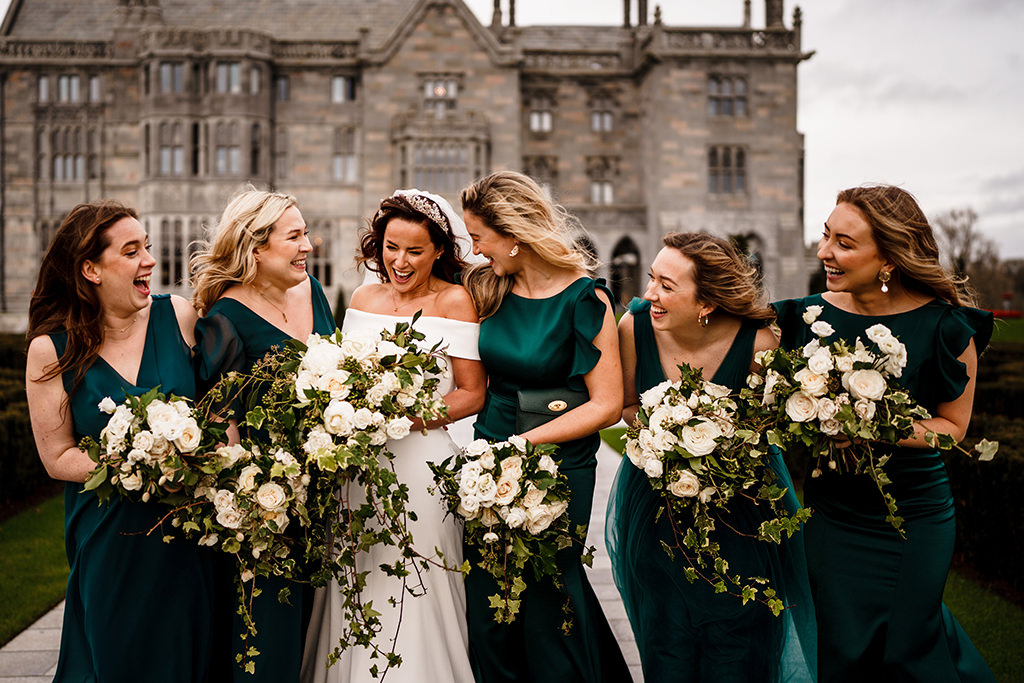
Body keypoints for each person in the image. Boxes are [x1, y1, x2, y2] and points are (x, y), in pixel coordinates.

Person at [773, 184, 996, 682]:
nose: (824, 252)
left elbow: (952, 429)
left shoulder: (948, 329)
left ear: (890, 258)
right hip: (833, 514)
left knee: (908, 648)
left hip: (913, 519)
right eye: (826, 236)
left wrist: (870, 423)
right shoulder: (804, 319)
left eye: (845, 243)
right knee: (840, 646)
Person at [605, 232, 817, 682]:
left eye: (666, 285)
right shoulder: (634, 327)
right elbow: (626, 406)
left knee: (737, 644)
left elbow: (768, 430)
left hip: (741, 515)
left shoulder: (759, 345)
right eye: (651, 279)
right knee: (667, 643)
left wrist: (720, 445)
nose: (649, 295)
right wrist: (666, 434)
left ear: (706, 301)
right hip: (657, 505)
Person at [25, 201, 217, 682]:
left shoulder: (182, 317)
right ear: (90, 269)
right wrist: (137, 464)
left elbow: (220, 416)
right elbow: (57, 456)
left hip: (187, 537)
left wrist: (203, 458)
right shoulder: (51, 350)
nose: (149, 261)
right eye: (132, 251)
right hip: (110, 540)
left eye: (147, 247)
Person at [300, 189, 486, 683]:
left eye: (414, 251)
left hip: (422, 469)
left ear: (440, 251)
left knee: (419, 579)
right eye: (390, 248)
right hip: (360, 468)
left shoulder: (454, 301)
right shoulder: (362, 299)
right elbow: (344, 376)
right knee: (355, 576)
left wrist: (404, 416)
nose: (399, 262)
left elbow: (471, 393)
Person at [460, 170, 631, 683]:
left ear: (513, 237)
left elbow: (606, 405)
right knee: (489, 604)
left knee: (548, 599)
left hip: (559, 464)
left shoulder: (585, 300)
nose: (475, 250)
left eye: (479, 239)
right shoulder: (484, 287)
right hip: (487, 459)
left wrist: (522, 443)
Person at [191, 189, 336, 682]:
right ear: (256, 248)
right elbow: (221, 423)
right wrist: (253, 501)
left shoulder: (312, 291)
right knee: (270, 629)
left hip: (328, 486)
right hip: (270, 500)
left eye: (306, 234)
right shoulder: (225, 319)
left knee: (323, 625)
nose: (309, 246)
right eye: (294, 237)